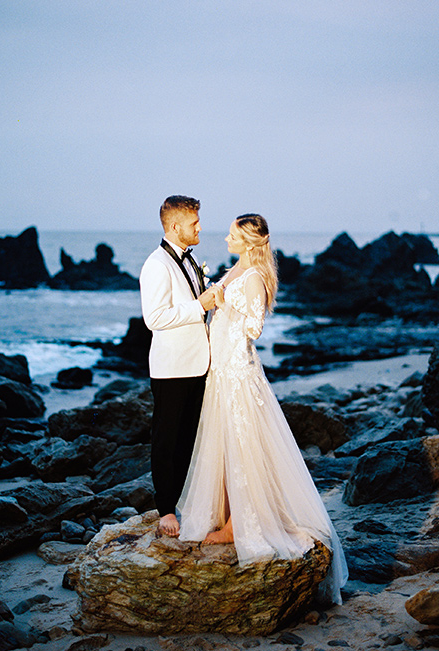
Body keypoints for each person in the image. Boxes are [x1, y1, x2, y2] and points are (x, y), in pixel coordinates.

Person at [178, 213, 348, 604]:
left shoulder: (254, 278)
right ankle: (224, 515)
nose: (225, 238)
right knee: (220, 444)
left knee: (244, 446)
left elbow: (253, 328)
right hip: (220, 371)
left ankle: (241, 524)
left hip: (239, 373)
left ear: (249, 241)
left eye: (232, 234)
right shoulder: (234, 270)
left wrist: (225, 304)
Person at [140, 196, 216, 537]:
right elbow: (154, 318)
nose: (199, 228)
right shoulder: (156, 265)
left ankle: (184, 499)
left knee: (189, 438)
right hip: (171, 368)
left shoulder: (192, 258)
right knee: (167, 440)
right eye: (194, 223)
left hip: (198, 363)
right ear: (175, 226)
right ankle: (166, 509)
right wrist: (199, 306)